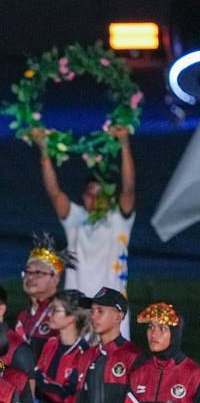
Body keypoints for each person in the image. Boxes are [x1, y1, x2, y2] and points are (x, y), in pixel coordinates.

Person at [31, 125, 135, 303]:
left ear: (110, 197)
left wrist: (124, 144)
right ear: (83, 197)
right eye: (89, 194)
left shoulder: (118, 220)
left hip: (110, 310)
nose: (94, 200)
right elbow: (54, 192)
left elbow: (129, 188)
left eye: (100, 195)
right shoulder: (75, 219)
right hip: (76, 308)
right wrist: (44, 151)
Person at [15, 238, 69, 349]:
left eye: (38, 273)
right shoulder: (23, 316)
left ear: (55, 279)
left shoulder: (64, 313)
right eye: (27, 272)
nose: (30, 277)